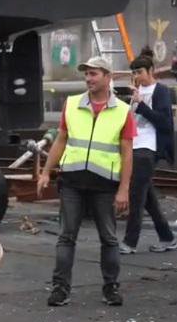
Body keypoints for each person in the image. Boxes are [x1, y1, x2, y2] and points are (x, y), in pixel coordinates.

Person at [37, 56, 136, 307]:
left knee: (109, 238)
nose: (88, 79)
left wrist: (124, 189)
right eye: (87, 74)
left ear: (107, 77)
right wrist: (46, 171)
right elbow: (61, 140)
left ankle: (111, 288)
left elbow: (127, 152)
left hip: (105, 185)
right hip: (72, 182)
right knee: (66, 237)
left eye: (94, 74)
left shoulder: (122, 111)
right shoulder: (71, 105)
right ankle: (60, 288)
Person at [119, 47, 177, 254]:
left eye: (140, 72)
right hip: (132, 146)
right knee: (148, 197)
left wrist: (142, 105)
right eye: (134, 73)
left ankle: (130, 242)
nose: (137, 76)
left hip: (148, 147)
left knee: (136, 195)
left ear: (150, 70)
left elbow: (164, 123)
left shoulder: (160, 91)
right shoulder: (134, 92)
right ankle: (167, 237)